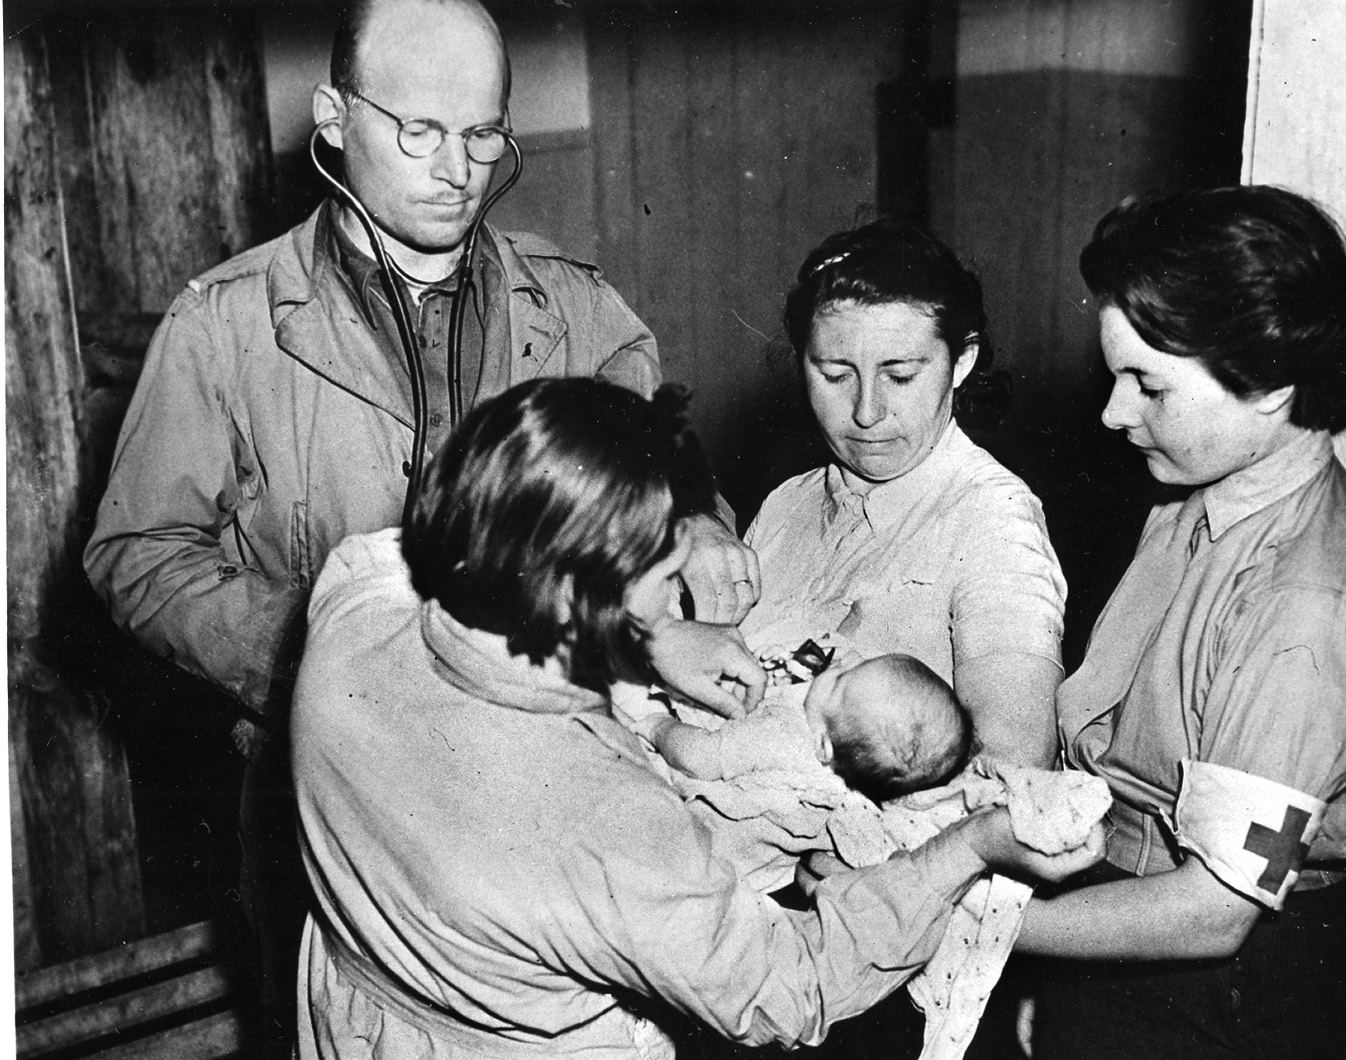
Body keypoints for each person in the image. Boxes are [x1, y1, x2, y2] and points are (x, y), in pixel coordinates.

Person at [81, 0, 756, 1047]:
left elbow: (662, 474)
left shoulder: (575, 306)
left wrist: (703, 523)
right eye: (421, 131)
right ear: (336, 116)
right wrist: (314, 654)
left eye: (483, 134)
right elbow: (136, 553)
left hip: (547, 778)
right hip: (338, 797)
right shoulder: (224, 322)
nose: (459, 169)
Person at [291, 377, 1100, 1059]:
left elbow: (409, 553)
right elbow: (790, 991)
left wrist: (653, 639)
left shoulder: (353, 603)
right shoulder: (607, 818)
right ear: (587, 597)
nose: (676, 590)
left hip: (349, 1015)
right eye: (668, 574)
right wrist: (972, 844)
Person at [1017, 185, 1346, 1060]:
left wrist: (977, 926)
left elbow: (1211, 914)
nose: (1113, 413)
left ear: (1271, 382)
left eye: (1148, 385)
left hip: (1227, 990)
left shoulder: (1301, 609)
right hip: (1125, 927)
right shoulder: (1201, 492)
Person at [740, 217, 1066, 769]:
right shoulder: (784, 504)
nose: (867, 413)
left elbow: (1015, 761)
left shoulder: (991, 518)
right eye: (835, 374)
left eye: (901, 375)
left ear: (961, 361)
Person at [644, 648, 973, 804]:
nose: (843, 664)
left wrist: (658, 726)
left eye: (840, 679)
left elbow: (700, 758)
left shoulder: (783, 737)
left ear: (822, 746)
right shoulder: (835, 730)